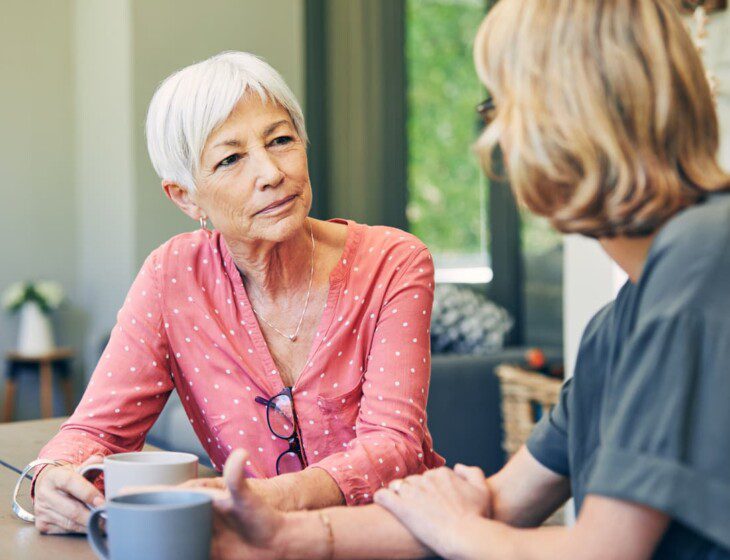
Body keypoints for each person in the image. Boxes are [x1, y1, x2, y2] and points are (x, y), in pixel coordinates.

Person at [202, 1, 730, 558]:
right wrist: (279, 535)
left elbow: (603, 551)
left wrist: (458, 528)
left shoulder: (702, 254)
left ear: (572, 115)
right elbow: (504, 499)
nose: (494, 140)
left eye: (499, 107)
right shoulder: (621, 323)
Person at [30, 51, 444, 535]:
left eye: (281, 140)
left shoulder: (393, 261)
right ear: (185, 197)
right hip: (258, 546)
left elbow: (394, 445)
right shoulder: (173, 277)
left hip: (395, 538)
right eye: (231, 158)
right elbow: (96, 430)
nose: (271, 172)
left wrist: (262, 498)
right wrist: (50, 479)